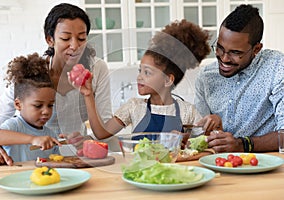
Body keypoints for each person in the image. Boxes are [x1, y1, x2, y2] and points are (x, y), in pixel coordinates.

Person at [0, 3, 112, 165]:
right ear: (50, 39)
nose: (75, 46)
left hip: (77, 157)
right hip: (32, 158)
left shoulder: (97, 69)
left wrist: (89, 140)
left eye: (81, 38)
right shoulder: (31, 74)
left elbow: (104, 125)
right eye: (66, 38)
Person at [72, 19, 220, 141]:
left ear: (168, 80)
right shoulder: (133, 107)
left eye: (147, 73)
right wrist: (88, 94)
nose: (139, 77)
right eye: (140, 71)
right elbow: (101, 133)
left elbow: (207, 142)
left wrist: (189, 141)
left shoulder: (188, 111)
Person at [194, 4, 284, 153]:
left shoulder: (277, 68)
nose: (224, 58)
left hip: (266, 168)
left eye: (235, 52)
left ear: (256, 49)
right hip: (219, 164)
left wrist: (242, 145)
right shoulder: (206, 77)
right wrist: (208, 130)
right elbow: (198, 135)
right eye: (220, 48)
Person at [0, 53, 62, 162]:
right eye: (38, 106)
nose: (46, 111)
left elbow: (56, 160)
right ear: (18, 104)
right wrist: (32, 139)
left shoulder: (50, 134)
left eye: (50, 105)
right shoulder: (15, 125)